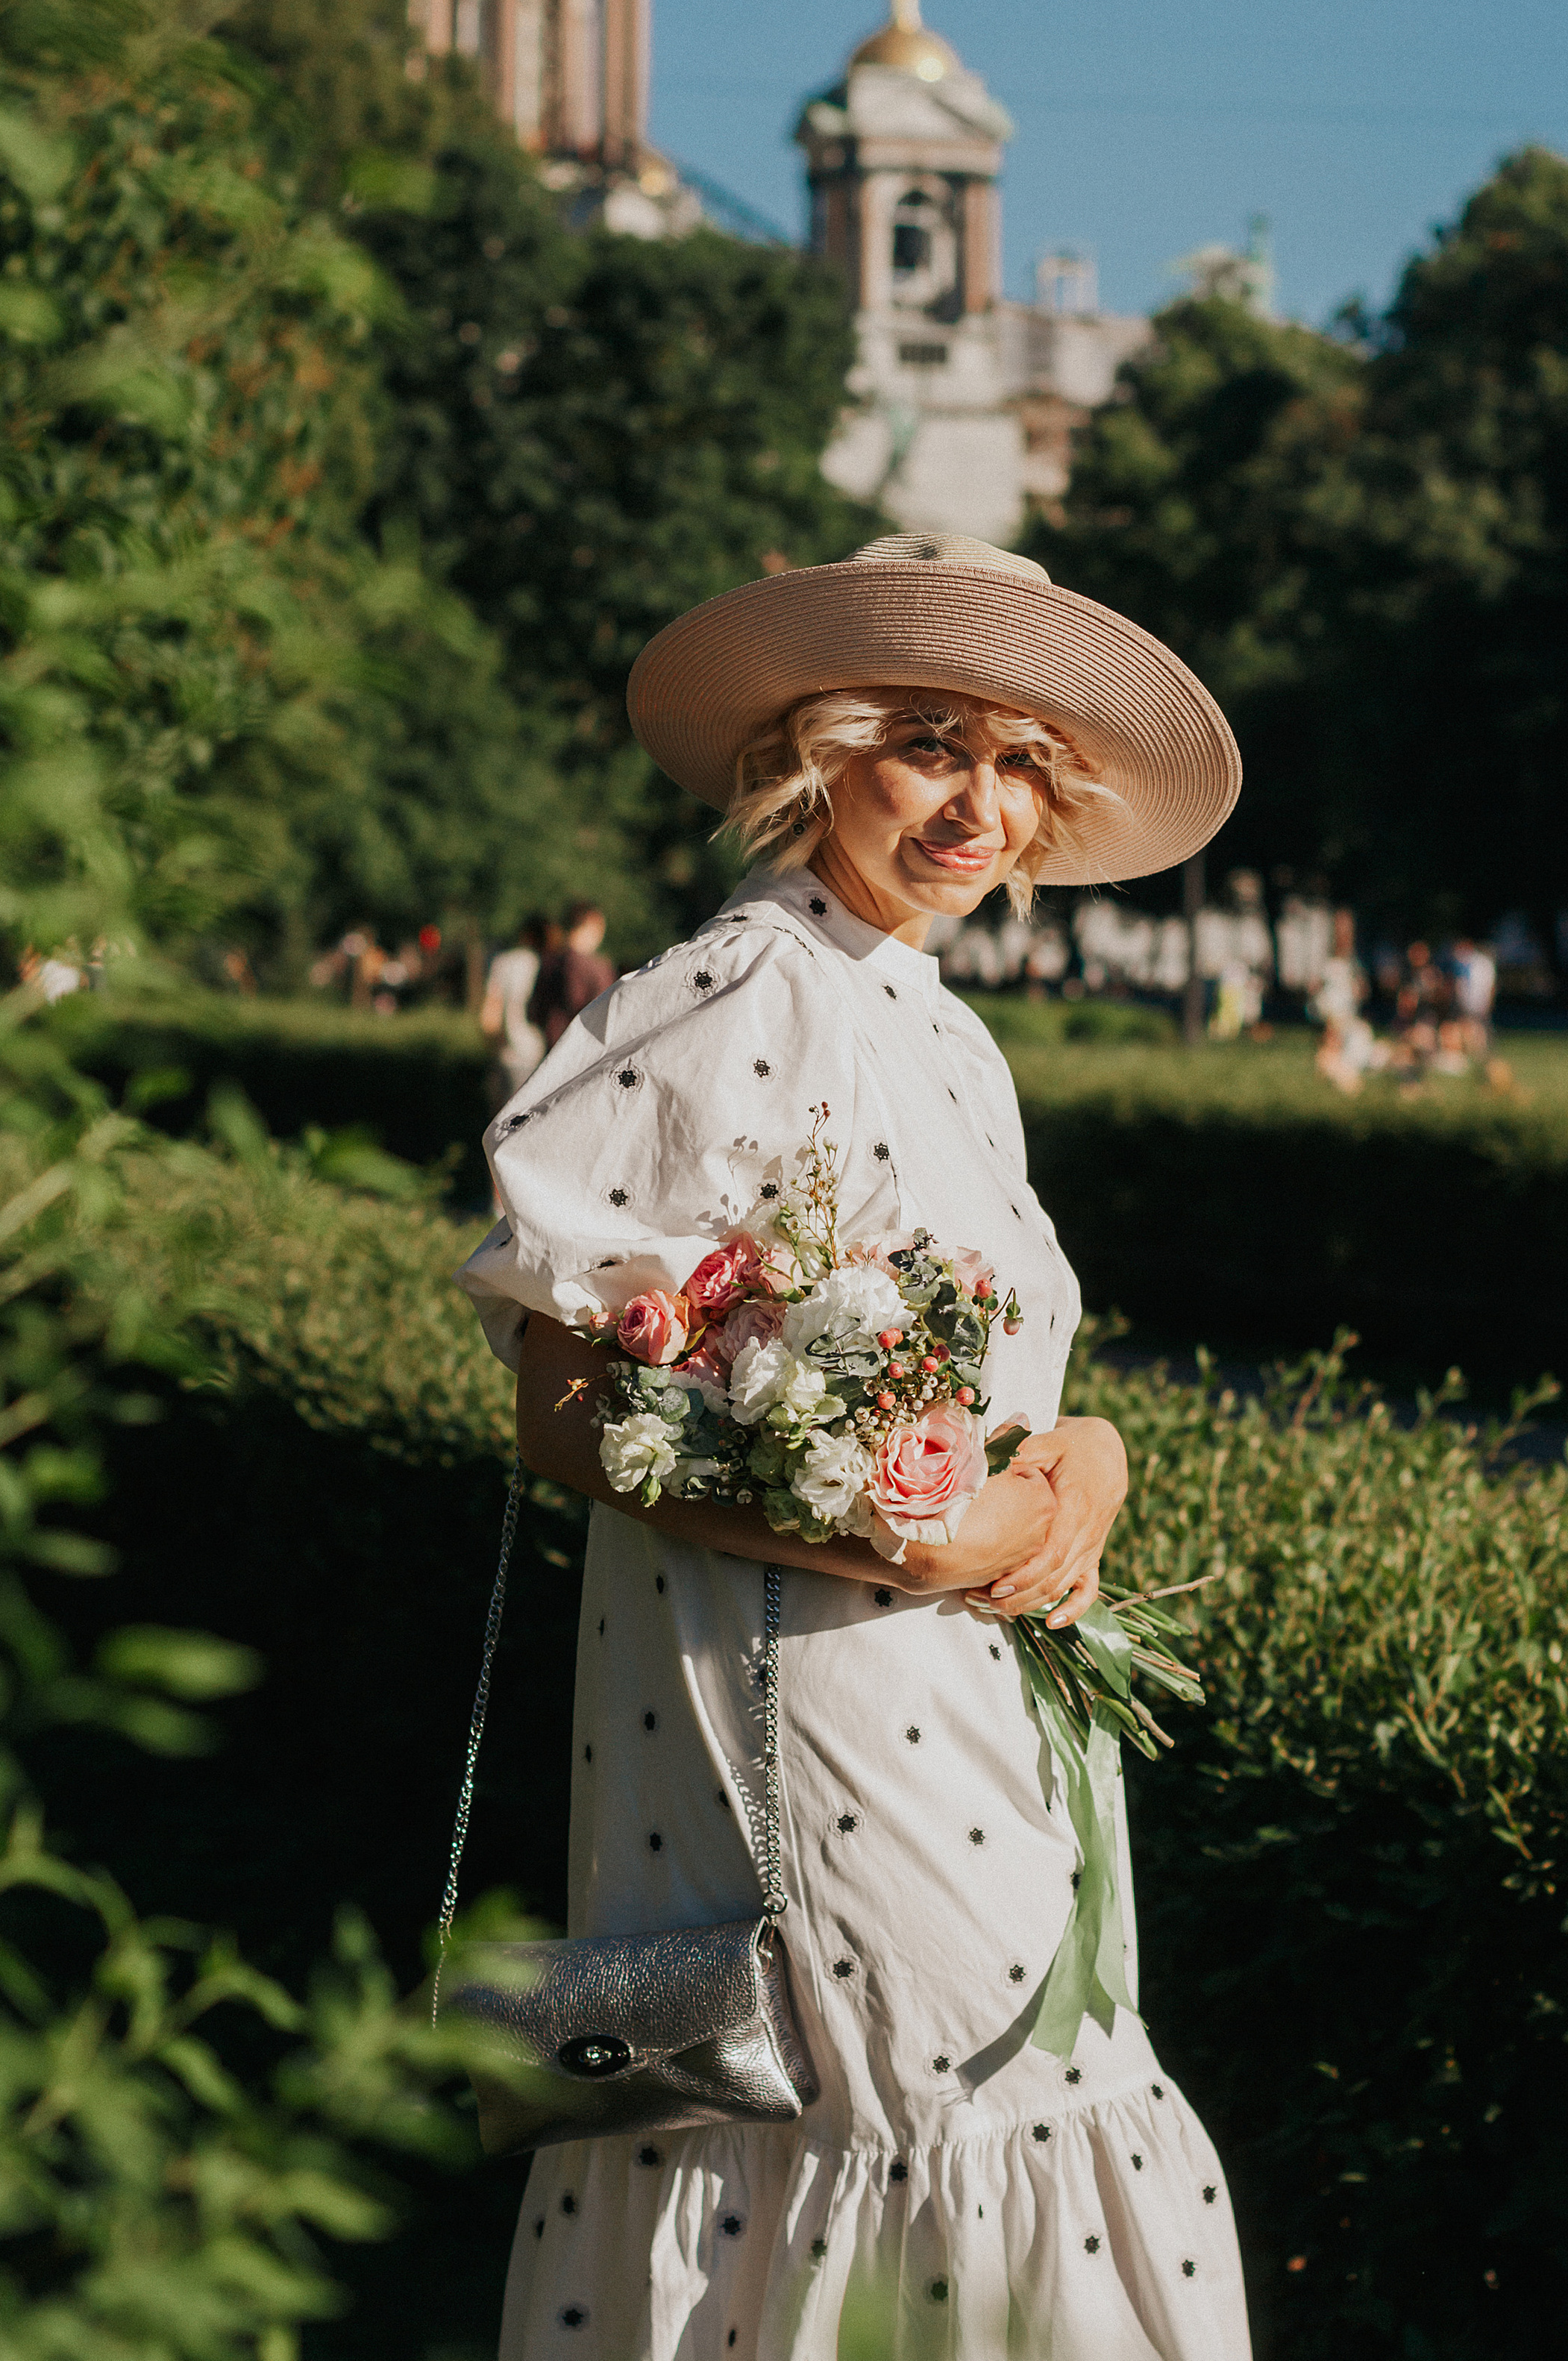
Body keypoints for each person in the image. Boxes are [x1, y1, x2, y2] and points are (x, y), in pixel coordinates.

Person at [460, 532, 1252, 2361]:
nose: (979, 800)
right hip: (803, 1720)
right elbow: (565, 1406)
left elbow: (988, 1386)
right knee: (884, 2108)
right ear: (817, 753)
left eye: (1017, 763)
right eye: (928, 743)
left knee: (1002, 2090)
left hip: (977, 1703)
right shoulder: (740, 987)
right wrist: (931, 1545)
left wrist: (1091, 1455)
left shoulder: (939, 1023)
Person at [480, 916, 549, 1105]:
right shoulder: (553, 963)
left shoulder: (505, 961)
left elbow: (489, 1015)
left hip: (511, 1054)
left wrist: (493, 1049)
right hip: (545, 1053)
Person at [535, 896, 615, 1048]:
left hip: (551, 1051)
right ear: (593, 923)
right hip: (585, 1055)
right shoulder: (598, 968)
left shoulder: (548, 963)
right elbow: (606, 1019)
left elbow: (535, 1013)